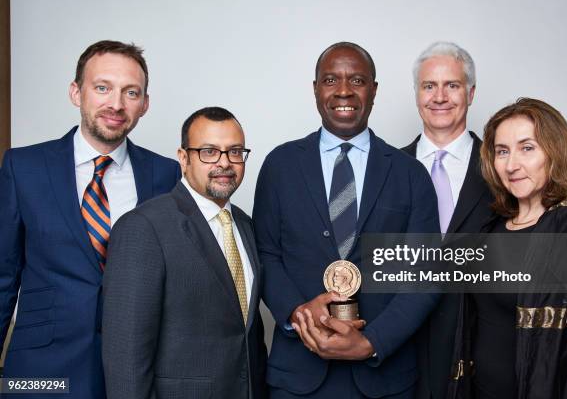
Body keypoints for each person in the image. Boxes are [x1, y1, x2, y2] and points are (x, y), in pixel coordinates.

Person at [253, 41, 440, 398]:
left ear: (374, 90)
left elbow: (425, 276)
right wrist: (298, 314)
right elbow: (265, 255)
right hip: (298, 377)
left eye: (356, 80)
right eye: (330, 80)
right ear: (315, 89)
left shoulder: (410, 175)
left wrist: (371, 342)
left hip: (384, 377)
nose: (343, 91)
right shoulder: (280, 165)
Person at [0, 40, 180, 398]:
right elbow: (3, 274)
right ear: (75, 92)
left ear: (144, 104)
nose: (116, 104)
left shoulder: (166, 174)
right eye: (102, 88)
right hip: (41, 371)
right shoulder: (23, 167)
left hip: (136, 370)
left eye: (131, 92)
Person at [448, 97, 567, 399]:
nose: (512, 165)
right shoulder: (491, 227)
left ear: (554, 152)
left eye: (527, 148)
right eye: (502, 151)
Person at [102, 107, 267, 399]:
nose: (224, 163)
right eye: (209, 152)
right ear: (183, 158)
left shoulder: (245, 225)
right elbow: (125, 359)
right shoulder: (144, 227)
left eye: (235, 152)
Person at [401, 41, 493, 399]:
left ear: (470, 93)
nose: (440, 96)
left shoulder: (503, 170)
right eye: (429, 86)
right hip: (402, 353)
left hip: (479, 352)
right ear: (417, 94)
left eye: (451, 85)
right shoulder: (387, 169)